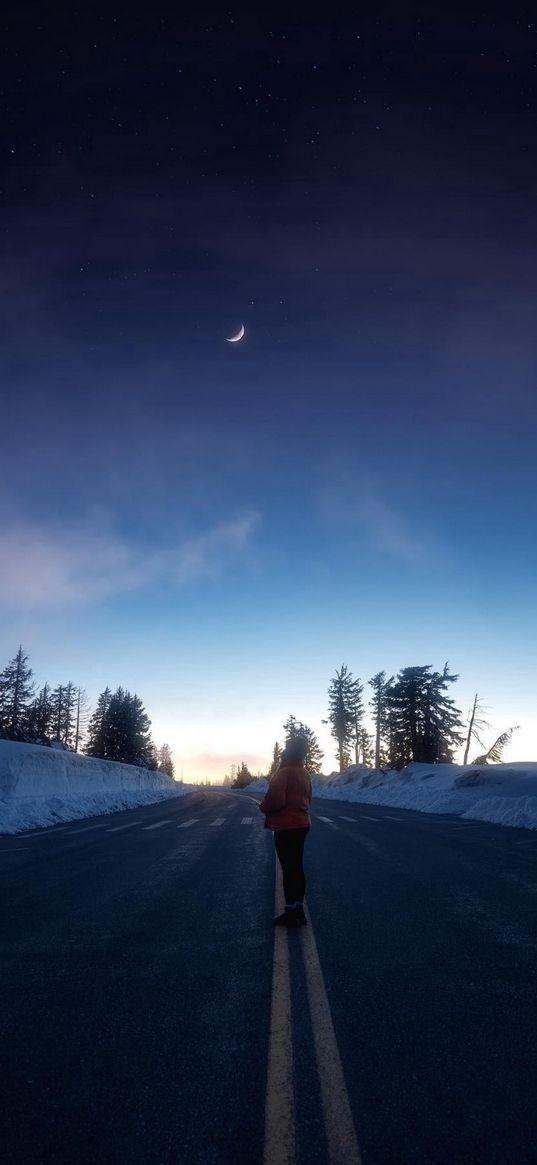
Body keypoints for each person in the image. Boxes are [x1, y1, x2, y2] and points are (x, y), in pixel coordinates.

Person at [259, 736, 312, 928]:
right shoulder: (304, 773)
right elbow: (309, 798)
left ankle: (291, 913)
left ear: (288, 751)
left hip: (286, 826)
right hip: (302, 824)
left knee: (288, 869)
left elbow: (276, 800)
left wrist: (263, 807)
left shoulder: (283, 773)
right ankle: (299, 911)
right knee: (297, 867)